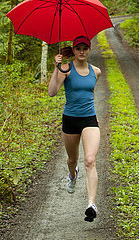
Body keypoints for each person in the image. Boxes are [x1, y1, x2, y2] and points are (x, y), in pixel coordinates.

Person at [47, 35, 102, 222]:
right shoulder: (66, 69)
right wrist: (56, 69)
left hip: (89, 120)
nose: (81, 51)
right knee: (72, 159)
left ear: (89, 50)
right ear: (73, 49)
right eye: (78, 48)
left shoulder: (96, 71)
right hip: (70, 120)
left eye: (85, 48)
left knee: (90, 160)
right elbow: (52, 92)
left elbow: (88, 93)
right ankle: (72, 175)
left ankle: (91, 204)